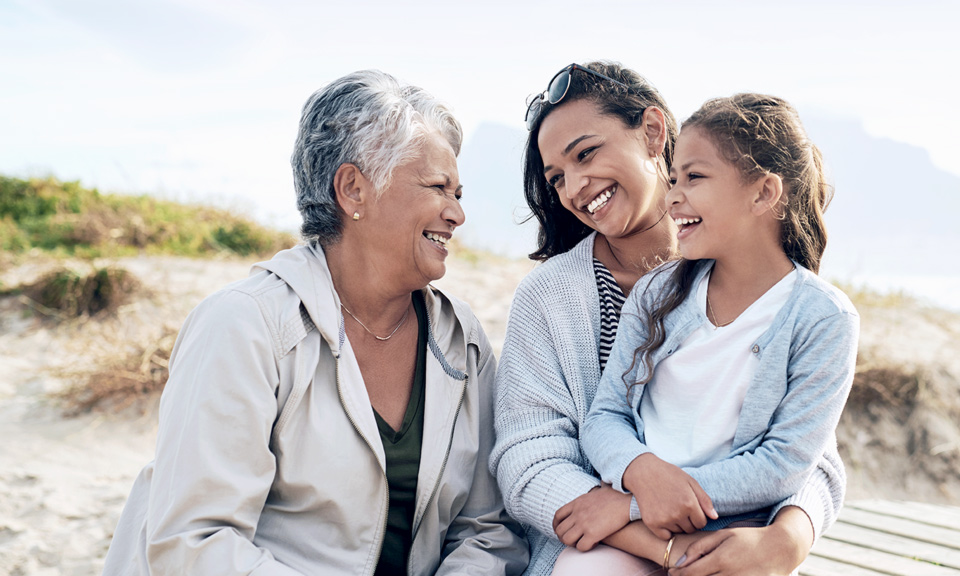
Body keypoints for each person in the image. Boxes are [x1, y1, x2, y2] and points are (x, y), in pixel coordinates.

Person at [103, 70, 528, 576]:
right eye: (438, 187)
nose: (457, 213)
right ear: (353, 190)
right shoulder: (244, 326)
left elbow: (487, 529)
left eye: (458, 193)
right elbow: (195, 542)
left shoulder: (463, 342)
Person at [490, 62, 846, 576]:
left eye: (586, 153)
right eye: (557, 178)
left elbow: (807, 449)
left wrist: (788, 537)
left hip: (735, 544)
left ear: (654, 132)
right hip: (597, 552)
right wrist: (656, 538)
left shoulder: (770, 285)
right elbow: (530, 463)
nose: (574, 187)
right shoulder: (549, 298)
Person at [579, 92, 859, 572]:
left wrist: (634, 504)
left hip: (734, 538)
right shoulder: (655, 294)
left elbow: (782, 464)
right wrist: (639, 473)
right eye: (672, 179)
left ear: (764, 193)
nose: (672, 197)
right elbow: (605, 415)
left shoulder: (824, 318)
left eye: (695, 177)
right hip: (630, 533)